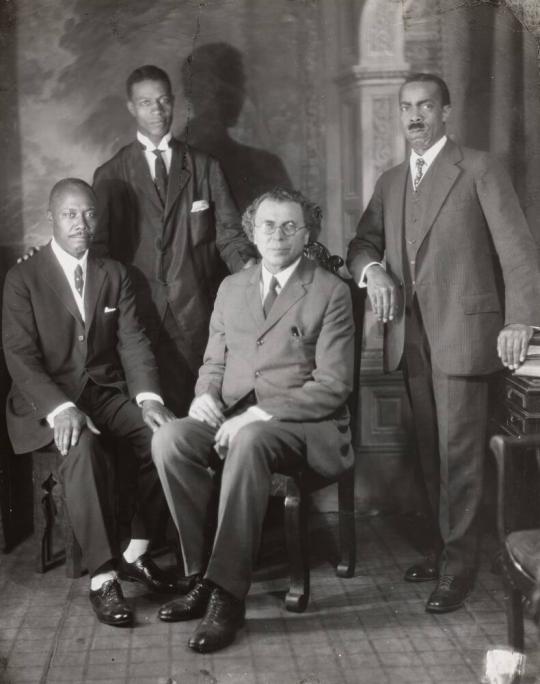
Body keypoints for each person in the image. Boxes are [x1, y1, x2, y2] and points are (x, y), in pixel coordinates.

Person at [347, 73, 540, 614]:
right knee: (431, 452)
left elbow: (519, 251)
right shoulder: (389, 182)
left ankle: (459, 567)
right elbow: (362, 242)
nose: (414, 117)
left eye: (425, 106)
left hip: (467, 333)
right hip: (411, 337)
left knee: (459, 456)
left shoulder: (478, 168)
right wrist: (373, 275)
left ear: (446, 112)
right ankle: (442, 549)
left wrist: (520, 318)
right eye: (406, 107)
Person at [151, 188, 355, 653]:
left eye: (290, 226)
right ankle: (201, 573)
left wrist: (263, 413)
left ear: (306, 234)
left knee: (250, 440)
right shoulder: (231, 288)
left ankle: (227, 595)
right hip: (233, 412)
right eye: (268, 225)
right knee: (170, 441)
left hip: (306, 423)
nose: (278, 235)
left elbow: (333, 386)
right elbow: (213, 363)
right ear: (252, 232)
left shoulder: (330, 291)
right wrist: (204, 395)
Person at [2, 178, 184, 627]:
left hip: (104, 394)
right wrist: (60, 407)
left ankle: (136, 550)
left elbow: (134, 343)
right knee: (81, 447)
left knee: (167, 436)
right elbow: (19, 355)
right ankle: (103, 579)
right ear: (52, 217)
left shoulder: (115, 273)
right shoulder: (23, 276)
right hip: (45, 402)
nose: (81, 224)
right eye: (69, 214)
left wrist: (148, 398)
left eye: (88, 214)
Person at [92, 64, 257, 417]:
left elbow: (230, 235)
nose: (157, 110)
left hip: (196, 314)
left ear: (174, 103)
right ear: (131, 107)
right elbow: (99, 253)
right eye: (147, 102)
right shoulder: (109, 175)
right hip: (136, 318)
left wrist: (251, 270)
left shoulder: (204, 166)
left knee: (198, 417)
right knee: (149, 424)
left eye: (164, 101)